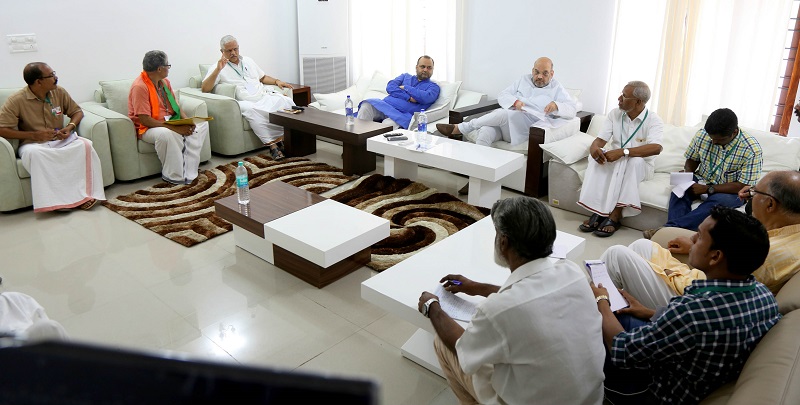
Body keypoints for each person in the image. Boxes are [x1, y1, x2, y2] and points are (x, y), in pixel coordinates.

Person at [417, 196, 604, 404]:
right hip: (591, 398)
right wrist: (478, 288)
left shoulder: (498, 310)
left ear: (503, 242)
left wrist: (432, 307)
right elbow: (532, 294)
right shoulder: (572, 272)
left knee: (442, 344)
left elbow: (462, 349)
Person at [591, 206, 781, 404]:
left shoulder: (694, 311)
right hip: (699, 369)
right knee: (625, 310)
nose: (691, 241)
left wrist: (601, 300)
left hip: (655, 391)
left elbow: (623, 350)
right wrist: (648, 312)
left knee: (607, 315)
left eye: (698, 237)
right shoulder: (763, 294)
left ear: (715, 256)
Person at [600, 170, 800, 310]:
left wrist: (670, 271)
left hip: (695, 300)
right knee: (641, 246)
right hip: (700, 282)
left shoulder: (771, 253)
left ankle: (600, 305)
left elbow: (711, 287)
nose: (750, 197)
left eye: (755, 192)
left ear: (771, 205)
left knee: (615, 254)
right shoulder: (786, 233)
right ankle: (618, 304)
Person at [436, 57, 577, 194]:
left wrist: (556, 105)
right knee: (485, 131)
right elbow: (503, 95)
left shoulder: (557, 88)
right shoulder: (524, 79)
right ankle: (476, 180)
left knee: (503, 114)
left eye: (545, 73)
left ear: (551, 74)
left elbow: (572, 109)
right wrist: (515, 102)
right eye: (536, 72)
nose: (539, 76)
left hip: (526, 129)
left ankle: (461, 128)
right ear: (532, 70)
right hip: (505, 125)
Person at [0, 62, 105, 212]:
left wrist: (69, 128)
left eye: (54, 73)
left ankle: (87, 195)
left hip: (59, 140)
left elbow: (77, 112)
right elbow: (2, 129)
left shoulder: (59, 92)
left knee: (85, 145)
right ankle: (58, 202)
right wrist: (33, 135)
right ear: (38, 82)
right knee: (36, 155)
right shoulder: (16, 100)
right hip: (33, 144)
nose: (56, 78)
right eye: (51, 76)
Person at [644, 108, 762, 237]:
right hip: (701, 179)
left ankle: (668, 231)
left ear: (734, 133)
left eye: (719, 140)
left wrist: (708, 189)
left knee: (718, 203)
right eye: (711, 138)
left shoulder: (751, 150)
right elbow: (692, 159)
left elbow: (743, 186)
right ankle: (678, 235)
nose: (713, 142)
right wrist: (687, 174)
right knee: (679, 190)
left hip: (729, 191)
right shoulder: (703, 134)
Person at [577, 81, 664, 237]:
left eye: (624, 96)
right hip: (616, 162)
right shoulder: (614, 114)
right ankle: (599, 210)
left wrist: (623, 152)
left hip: (641, 166)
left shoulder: (653, 120)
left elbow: (656, 148)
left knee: (633, 161)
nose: (619, 98)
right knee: (596, 159)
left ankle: (615, 215)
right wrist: (595, 149)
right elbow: (599, 140)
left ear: (638, 101)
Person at [201, 35, 294, 160]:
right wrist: (218, 70)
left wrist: (277, 81)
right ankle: (273, 146)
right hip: (244, 101)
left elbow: (262, 77)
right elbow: (205, 88)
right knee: (252, 111)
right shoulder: (218, 67)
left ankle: (288, 139)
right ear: (222, 52)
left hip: (262, 95)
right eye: (229, 50)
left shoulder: (248, 61)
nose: (233, 53)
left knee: (286, 101)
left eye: (236, 49)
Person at [129, 50, 209, 185]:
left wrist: (188, 121)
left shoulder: (164, 82)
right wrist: (175, 127)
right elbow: (144, 119)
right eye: (168, 65)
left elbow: (176, 106)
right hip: (148, 127)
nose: (169, 68)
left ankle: (190, 171)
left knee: (201, 125)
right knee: (166, 134)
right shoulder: (140, 87)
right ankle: (174, 176)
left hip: (169, 121)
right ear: (159, 68)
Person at [357, 55, 440, 130]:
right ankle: (358, 140)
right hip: (385, 105)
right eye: (422, 66)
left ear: (433, 69)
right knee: (366, 106)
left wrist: (405, 87)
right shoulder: (405, 77)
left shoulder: (434, 87)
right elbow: (390, 87)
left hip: (401, 115)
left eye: (429, 67)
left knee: (387, 125)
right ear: (416, 67)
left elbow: (425, 97)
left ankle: (370, 145)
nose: (425, 69)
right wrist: (408, 97)